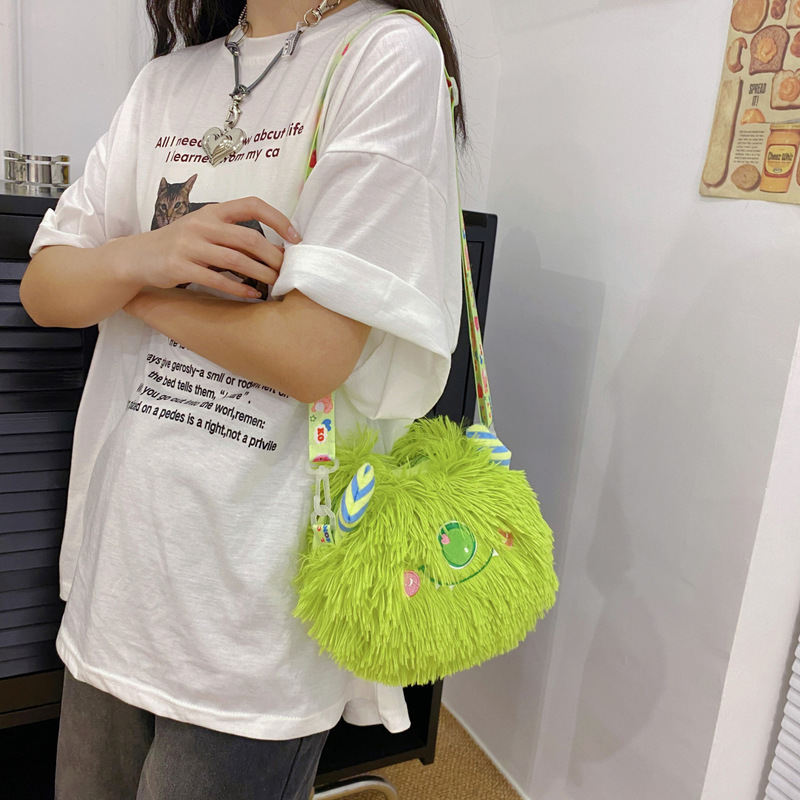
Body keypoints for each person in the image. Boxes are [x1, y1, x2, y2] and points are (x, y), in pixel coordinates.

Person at [20, 0, 465, 797]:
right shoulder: (167, 82)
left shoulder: (386, 53)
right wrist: (149, 256)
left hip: (255, 607)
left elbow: (310, 354)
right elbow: (47, 288)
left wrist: (130, 278)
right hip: (118, 571)